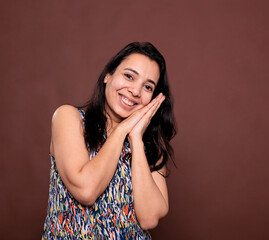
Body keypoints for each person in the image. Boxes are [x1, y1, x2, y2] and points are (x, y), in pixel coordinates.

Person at [42, 42, 176, 239]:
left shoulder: (151, 145)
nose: (136, 91)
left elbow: (149, 218)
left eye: (147, 87)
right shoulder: (69, 118)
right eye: (129, 76)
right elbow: (86, 190)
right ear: (108, 75)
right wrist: (122, 129)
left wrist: (136, 139)